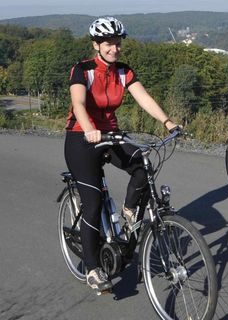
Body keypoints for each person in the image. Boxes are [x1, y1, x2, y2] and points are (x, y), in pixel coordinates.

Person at [64, 16, 180, 293]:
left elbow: (144, 98)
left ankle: (129, 210)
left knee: (143, 164)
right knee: (92, 203)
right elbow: (78, 103)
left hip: (112, 135)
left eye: (117, 43)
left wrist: (167, 121)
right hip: (82, 137)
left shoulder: (123, 72)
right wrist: (90, 129)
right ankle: (93, 268)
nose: (114, 49)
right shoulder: (82, 70)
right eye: (108, 44)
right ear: (96, 45)